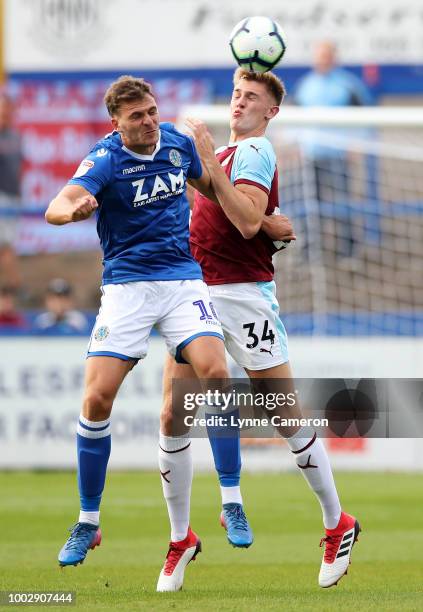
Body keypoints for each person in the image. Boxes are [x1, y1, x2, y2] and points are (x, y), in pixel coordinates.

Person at [160, 68, 360, 590]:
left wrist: (256, 209)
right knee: (174, 413)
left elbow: (247, 221)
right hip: (197, 293)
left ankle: (338, 522)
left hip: (243, 296)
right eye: (235, 94)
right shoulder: (222, 157)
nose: (239, 103)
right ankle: (181, 536)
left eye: (251, 97)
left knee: (283, 414)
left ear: (270, 112)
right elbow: (253, 218)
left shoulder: (254, 152)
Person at [45, 75, 231, 588]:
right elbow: (58, 204)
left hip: (181, 280)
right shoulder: (104, 159)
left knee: (216, 373)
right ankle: (88, 521)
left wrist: (216, 162)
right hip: (127, 288)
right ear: (116, 124)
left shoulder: (176, 143)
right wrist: (74, 211)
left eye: (151, 111)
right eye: (136, 116)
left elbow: (214, 190)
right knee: (97, 399)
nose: (148, 121)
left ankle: (231, 502)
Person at [293, 40, 373, 261]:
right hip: (311, 155)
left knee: (343, 202)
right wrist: (295, 143)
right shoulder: (306, 85)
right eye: (319, 55)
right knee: (310, 202)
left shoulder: (348, 85)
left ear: (334, 57)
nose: (322, 59)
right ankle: (310, 249)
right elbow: (296, 119)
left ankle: (348, 249)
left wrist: (358, 144)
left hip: (338, 154)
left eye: (326, 55)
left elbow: (365, 118)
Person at [0, 92, 23, 290]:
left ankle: (11, 288)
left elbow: (20, 166)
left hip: (13, 197)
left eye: (6, 108)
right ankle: (14, 287)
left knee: (7, 244)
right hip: (1, 198)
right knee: (5, 245)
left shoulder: (15, 136)